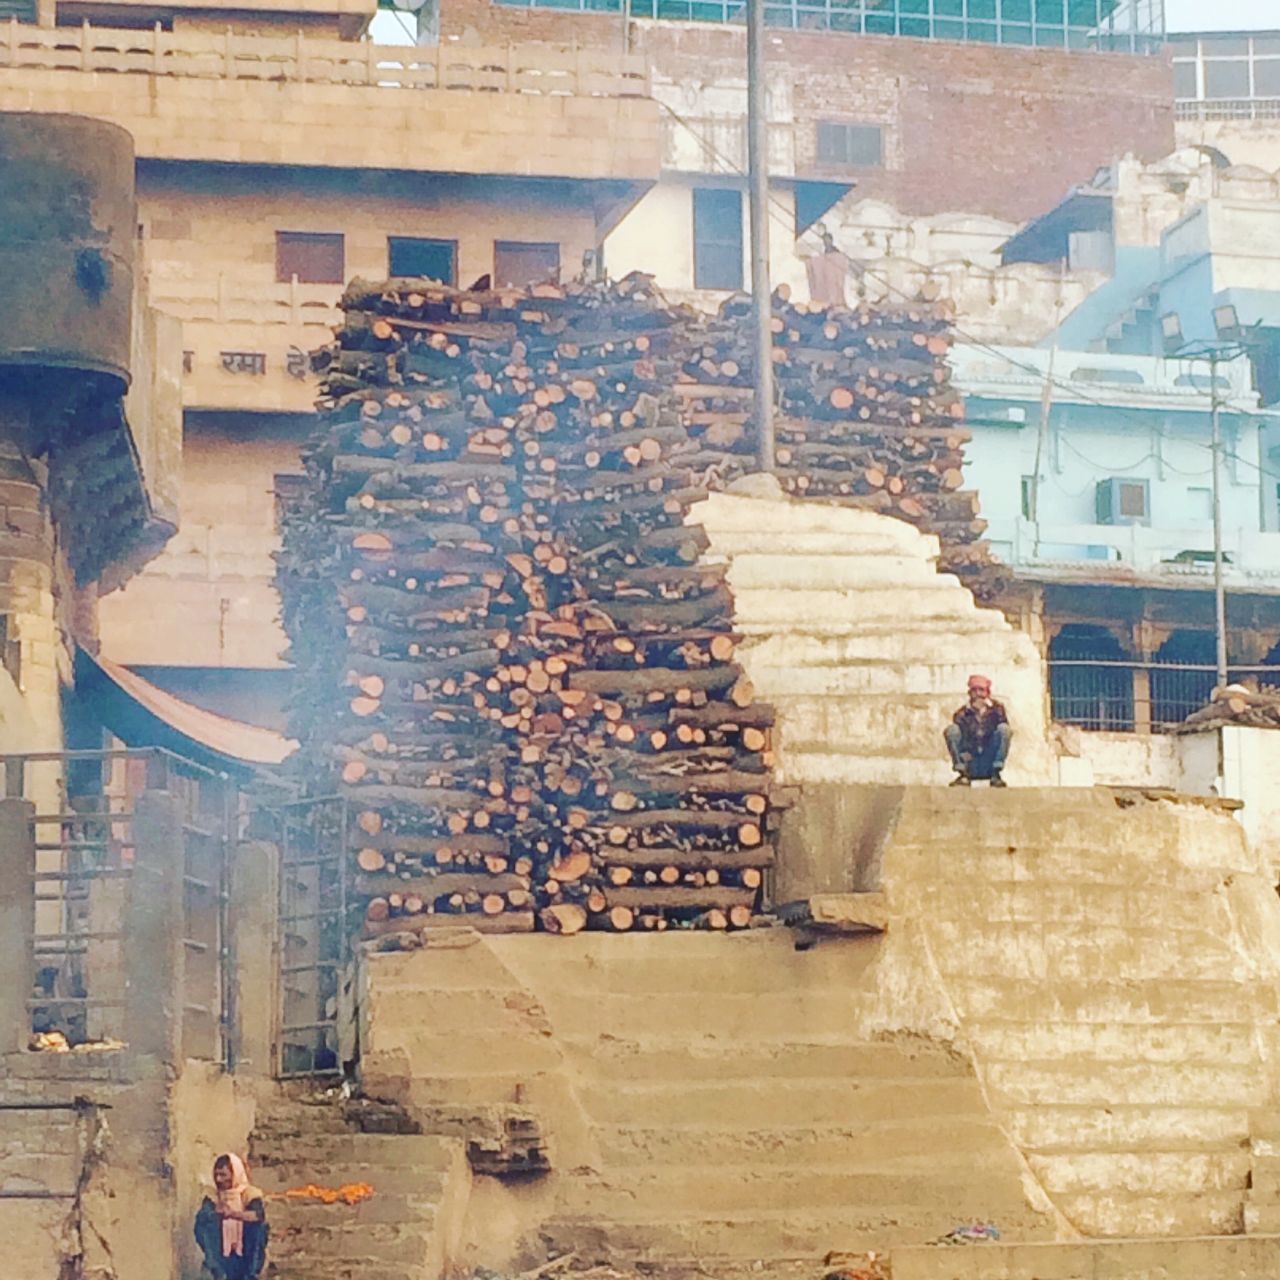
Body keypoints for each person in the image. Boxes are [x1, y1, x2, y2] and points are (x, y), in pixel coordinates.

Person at [195, 1153, 268, 1280]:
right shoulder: (213, 1197)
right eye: (216, 1175)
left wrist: (233, 1214)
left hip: (246, 1252)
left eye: (223, 1175)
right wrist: (216, 1214)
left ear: (234, 1175)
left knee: (260, 1228)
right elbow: (202, 1221)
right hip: (221, 1254)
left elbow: (258, 1216)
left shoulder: (249, 1194)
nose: (219, 1179)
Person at [944, 674, 1011, 787]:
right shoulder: (962, 713)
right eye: (974, 690)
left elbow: (1001, 735)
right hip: (971, 759)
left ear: (987, 693)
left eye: (981, 690)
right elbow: (961, 737)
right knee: (952, 730)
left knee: (1004, 729)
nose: (978, 694)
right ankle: (963, 773)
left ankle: (995, 773)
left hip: (988, 758)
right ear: (970, 693)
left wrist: (983, 714)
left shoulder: (997, 709)